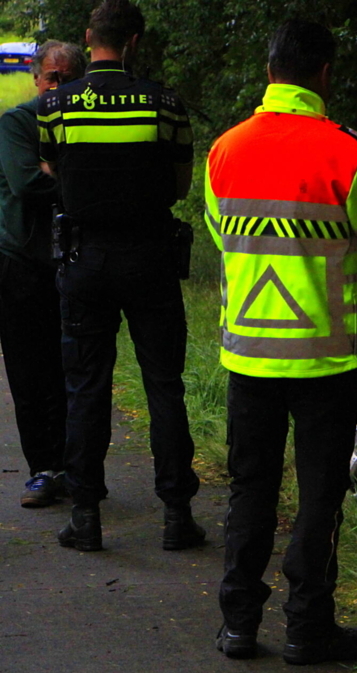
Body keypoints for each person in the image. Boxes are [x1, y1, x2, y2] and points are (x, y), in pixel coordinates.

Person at [204, 19, 357, 664]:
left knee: (251, 490)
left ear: (270, 71)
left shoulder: (224, 150)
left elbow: (224, 237)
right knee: (320, 496)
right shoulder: (350, 157)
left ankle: (238, 623)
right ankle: (307, 628)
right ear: (324, 75)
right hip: (324, 362)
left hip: (248, 356)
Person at [37, 0, 203, 552]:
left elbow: (52, 170)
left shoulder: (58, 103)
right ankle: (177, 514)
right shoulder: (166, 103)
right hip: (150, 257)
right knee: (164, 385)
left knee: (86, 387)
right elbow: (180, 185)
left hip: (84, 261)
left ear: (89, 38)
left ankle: (86, 517)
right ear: (134, 43)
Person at [0, 41, 86, 508]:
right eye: (51, 77)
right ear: (37, 79)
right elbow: (27, 183)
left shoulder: (86, 124)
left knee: (73, 369)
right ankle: (42, 468)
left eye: (67, 78)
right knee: (29, 372)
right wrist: (68, 176)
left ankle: (76, 468)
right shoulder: (17, 123)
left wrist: (57, 170)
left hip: (73, 261)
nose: (58, 86)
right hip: (20, 264)